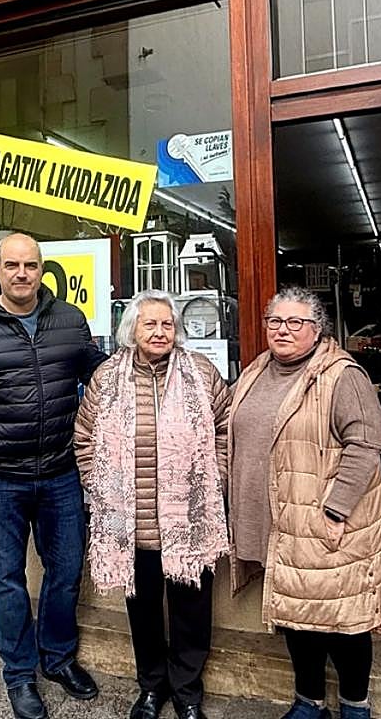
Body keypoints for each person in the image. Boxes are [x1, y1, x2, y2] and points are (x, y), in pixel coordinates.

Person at [0, 232, 109, 719]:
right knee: (8, 579)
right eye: (11, 265)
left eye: (30, 265)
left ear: (41, 270)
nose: (21, 274)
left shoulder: (69, 321)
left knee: (66, 570)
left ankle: (57, 659)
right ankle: (19, 675)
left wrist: (150, 359)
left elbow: (99, 375)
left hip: (60, 473)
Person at [228, 287, 381, 719]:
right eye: (274, 321)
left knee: (342, 618)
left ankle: (354, 704)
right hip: (279, 518)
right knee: (294, 611)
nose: (282, 330)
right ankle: (309, 700)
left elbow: (365, 443)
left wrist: (337, 510)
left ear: (316, 330)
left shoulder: (342, 375)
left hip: (326, 517)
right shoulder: (257, 369)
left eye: (295, 322)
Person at [73, 290, 230, 719]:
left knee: (191, 612)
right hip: (132, 523)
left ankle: (187, 691)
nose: (160, 332)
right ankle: (151, 687)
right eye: (150, 324)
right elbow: (84, 436)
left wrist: (214, 477)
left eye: (167, 324)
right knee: (142, 612)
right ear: (132, 330)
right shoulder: (107, 378)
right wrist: (99, 484)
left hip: (189, 520)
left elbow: (226, 426)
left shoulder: (200, 372)